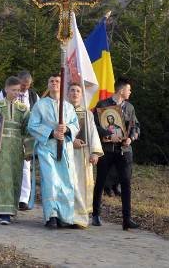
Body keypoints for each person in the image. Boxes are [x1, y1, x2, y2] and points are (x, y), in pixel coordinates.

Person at [28, 73, 80, 229]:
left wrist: (67, 129)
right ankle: (52, 215)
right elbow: (32, 125)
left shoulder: (69, 106)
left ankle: (66, 216)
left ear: (61, 84)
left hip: (65, 149)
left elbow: (75, 125)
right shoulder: (40, 105)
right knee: (50, 181)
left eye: (58, 81)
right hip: (47, 148)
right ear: (48, 84)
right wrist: (51, 133)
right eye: (51, 81)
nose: (55, 83)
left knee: (66, 182)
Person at [0, 76, 32, 225]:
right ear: (6, 89)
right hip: (1, 147)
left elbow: (28, 131)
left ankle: (12, 209)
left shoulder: (23, 109)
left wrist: (29, 150)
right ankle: (2, 212)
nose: (16, 93)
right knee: (4, 178)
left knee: (15, 177)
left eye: (18, 90)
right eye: (13, 90)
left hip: (16, 147)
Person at [92, 78, 141, 230]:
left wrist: (131, 138)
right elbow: (94, 126)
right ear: (121, 90)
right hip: (106, 150)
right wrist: (108, 134)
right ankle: (96, 214)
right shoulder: (103, 105)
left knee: (126, 183)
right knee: (100, 181)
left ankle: (127, 219)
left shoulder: (130, 107)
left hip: (124, 151)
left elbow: (135, 126)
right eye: (129, 89)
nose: (130, 92)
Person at [0, 70, 38, 210]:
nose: (25, 88)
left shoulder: (33, 96)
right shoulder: (4, 93)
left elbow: (37, 114)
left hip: (26, 134)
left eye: (28, 85)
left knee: (26, 166)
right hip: (9, 132)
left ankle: (23, 199)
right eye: (23, 85)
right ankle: (9, 196)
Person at [66, 82, 103, 228]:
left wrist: (95, 152)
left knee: (81, 185)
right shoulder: (62, 111)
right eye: (72, 91)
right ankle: (66, 217)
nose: (75, 93)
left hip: (83, 155)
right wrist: (71, 141)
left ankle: (80, 219)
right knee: (67, 184)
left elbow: (93, 132)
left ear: (81, 95)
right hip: (66, 153)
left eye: (78, 91)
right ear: (68, 94)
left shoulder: (87, 113)